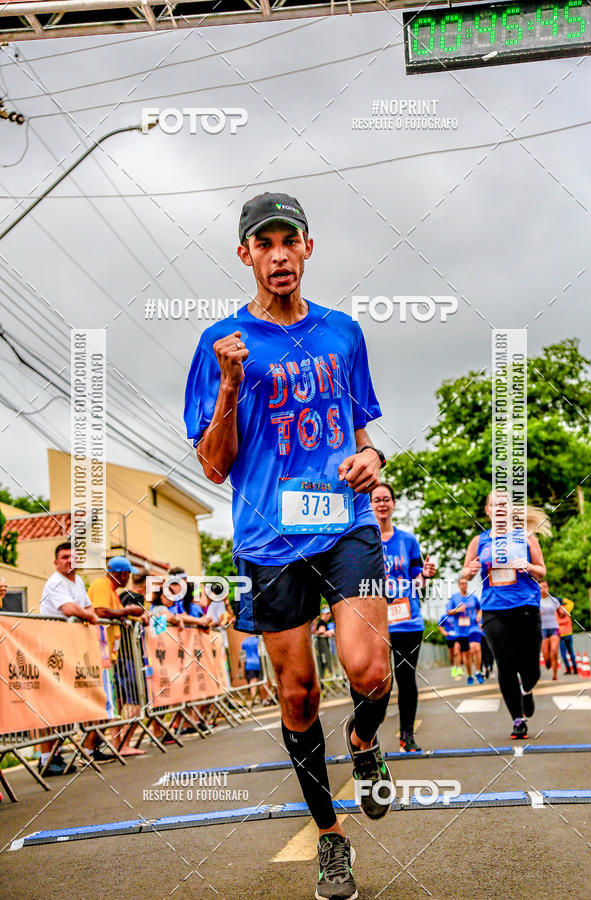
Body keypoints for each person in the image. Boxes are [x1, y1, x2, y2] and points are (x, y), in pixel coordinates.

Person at [185, 191, 393, 900]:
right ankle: (331, 839)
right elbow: (213, 464)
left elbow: (361, 433)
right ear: (245, 255)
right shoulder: (223, 344)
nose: (278, 254)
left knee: (369, 669)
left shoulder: (344, 333)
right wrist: (231, 385)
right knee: (298, 695)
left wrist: (376, 463)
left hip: (345, 524)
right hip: (270, 539)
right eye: (263, 243)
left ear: (308, 248)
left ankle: (364, 742)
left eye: (289, 240)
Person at [462, 491, 546, 740]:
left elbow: (541, 572)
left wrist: (528, 567)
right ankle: (517, 719)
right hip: (493, 609)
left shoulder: (526, 537)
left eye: (503, 504)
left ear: (510, 510)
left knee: (531, 666)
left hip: (526, 606)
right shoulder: (479, 541)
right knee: (506, 664)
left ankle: (527, 688)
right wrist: (470, 570)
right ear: (487, 511)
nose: (499, 508)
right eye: (494, 504)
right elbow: (465, 573)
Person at [370, 483, 436, 752]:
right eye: (377, 500)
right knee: (377, 680)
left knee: (406, 678)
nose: (382, 504)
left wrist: (426, 574)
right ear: (370, 504)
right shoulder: (365, 541)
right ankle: (367, 737)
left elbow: (418, 580)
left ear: (393, 504)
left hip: (408, 620)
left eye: (386, 499)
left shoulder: (408, 541)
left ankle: (407, 735)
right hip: (375, 621)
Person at [38, 542, 99, 775]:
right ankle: (46, 758)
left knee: (64, 704)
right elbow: (71, 609)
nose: (68, 560)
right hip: (53, 649)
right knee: (51, 704)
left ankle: (57, 754)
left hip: (71, 649)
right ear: (56, 562)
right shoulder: (55, 582)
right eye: (64, 557)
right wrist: (89, 616)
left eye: (72, 557)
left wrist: (89, 614)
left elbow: (87, 606)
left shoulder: (79, 581)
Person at [88, 557, 149, 756]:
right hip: (100, 653)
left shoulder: (111, 590)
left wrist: (124, 613)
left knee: (110, 706)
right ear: (122, 574)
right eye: (128, 574)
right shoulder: (101, 585)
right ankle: (92, 749)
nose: (129, 578)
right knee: (108, 707)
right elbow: (100, 611)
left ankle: (99, 748)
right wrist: (127, 610)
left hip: (109, 655)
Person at [446, 578, 483, 685]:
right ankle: (470, 675)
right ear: (459, 585)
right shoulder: (454, 598)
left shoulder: (473, 597)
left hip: (473, 627)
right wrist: (457, 610)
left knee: (476, 648)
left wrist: (479, 616)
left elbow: (479, 609)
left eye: (466, 583)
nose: (464, 585)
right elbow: (448, 612)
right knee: (467, 654)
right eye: (462, 583)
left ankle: (478, 672)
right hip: (461, 630)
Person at [539, 582, 561, 681]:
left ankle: (555, 675)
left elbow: (560, 613)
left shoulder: (554, 600)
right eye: (541, 587)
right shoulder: (535, 601)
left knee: (554, 651)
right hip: (542, 629)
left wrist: (563, 613)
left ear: (548, 588)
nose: (543, 589)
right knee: (546, 654)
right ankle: (547, 661)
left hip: (554, 628)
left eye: (545, 587)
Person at [438, 608, 464, 679]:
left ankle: (458, 668)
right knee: (451, 652)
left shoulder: (458, 615)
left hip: (457, 636)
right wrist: (444, 632)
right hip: (449, 637)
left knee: (457, 651)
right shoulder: (445, 616)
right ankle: (453, 668)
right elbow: (440, 625)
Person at [314, 605, 336, 681]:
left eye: (329, 613)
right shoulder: (322, 622)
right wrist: (328, 632)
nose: (328, 616)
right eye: (327, 614)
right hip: (321, 647)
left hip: (321, 646)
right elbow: (321, 631)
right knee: (324, 662)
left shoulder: (321, 622)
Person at [556, 596, 577, 674]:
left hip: (561, 635)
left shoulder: (555, 611)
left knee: (563, 653)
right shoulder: (567, 609)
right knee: (571, 652)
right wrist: (563, 599)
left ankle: (568, 669)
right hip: (569, 633)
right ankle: (575, 669)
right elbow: (571, 603)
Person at [241, 633, 262, 705]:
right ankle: (261, 697)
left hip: (249, 664)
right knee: (260, 681)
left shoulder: (245, 641)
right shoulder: (258, 640)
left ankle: (254, 698)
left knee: (252, 681)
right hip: (259, 662)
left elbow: (242, 656)